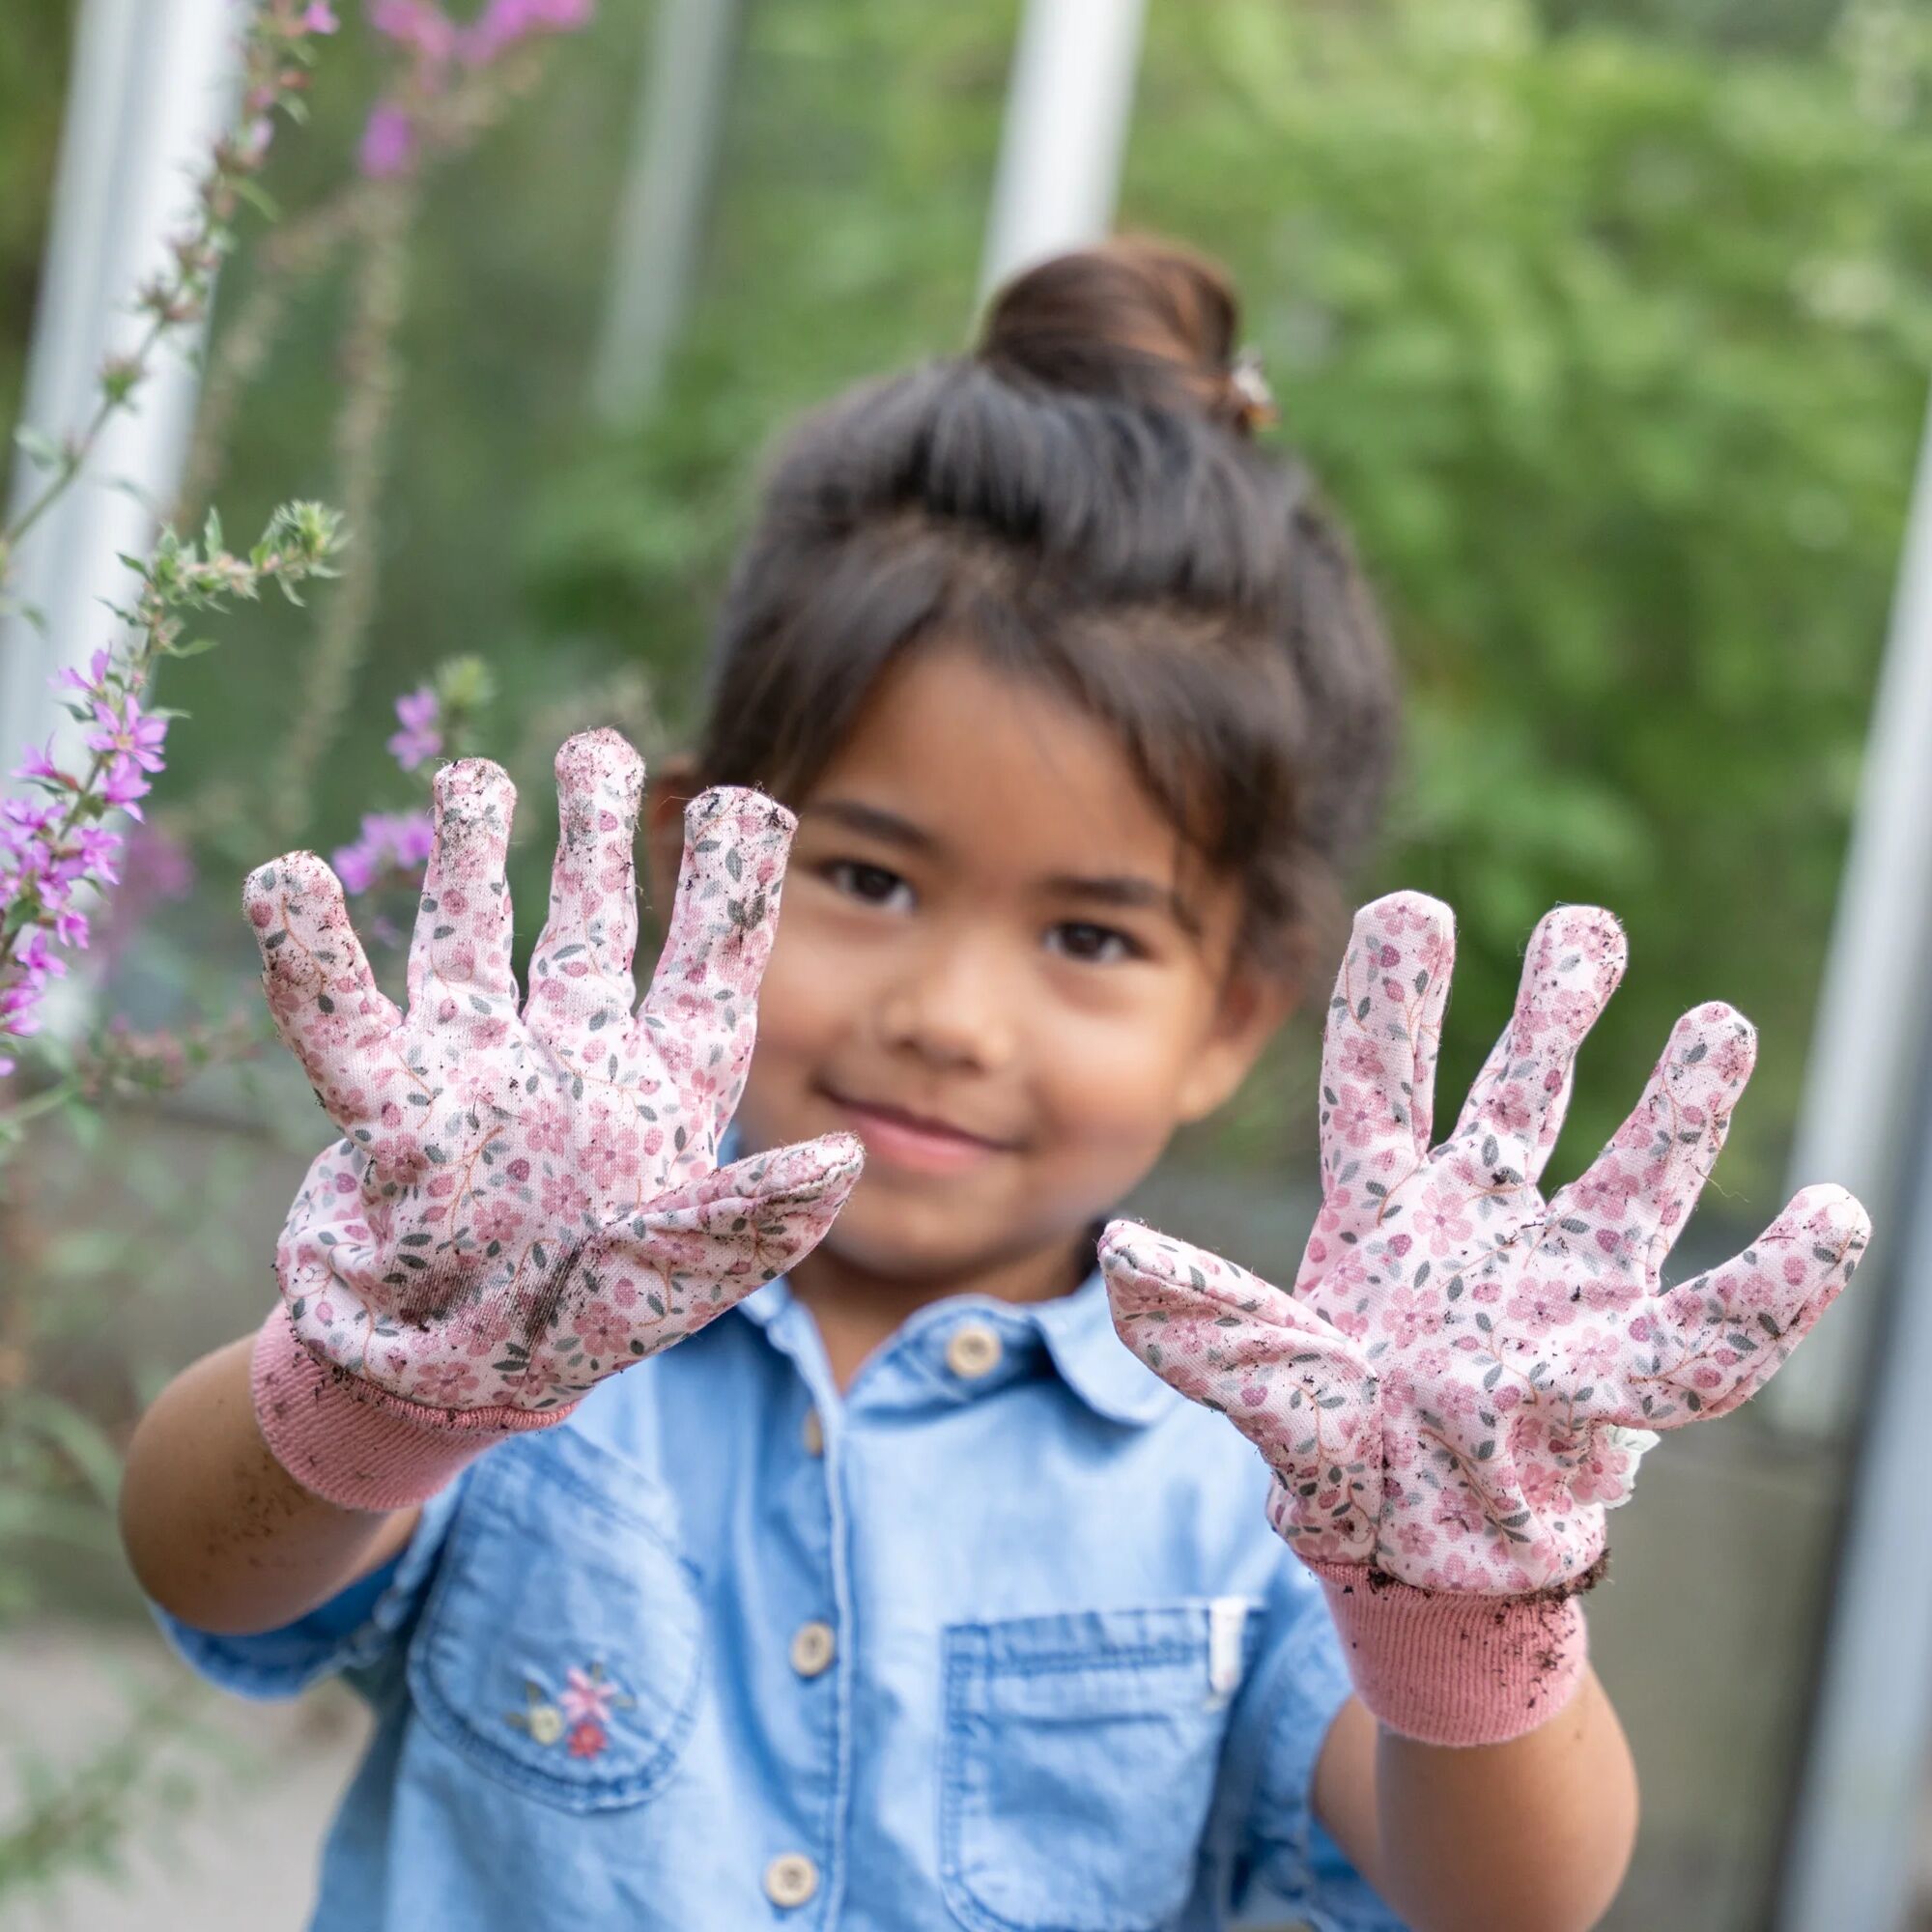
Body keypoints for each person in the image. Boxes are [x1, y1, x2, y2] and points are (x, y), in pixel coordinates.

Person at [119, 239, 1865, 1930]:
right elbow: (202, 1560)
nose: (954, 1017)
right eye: (870, 881)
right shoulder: (528, 1306)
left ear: (1235, 1016)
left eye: (1092, 939)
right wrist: (388, 1382)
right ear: (698, 862)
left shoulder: (1282, 1469)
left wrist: (1470, 1592)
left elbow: (1509, 1902)